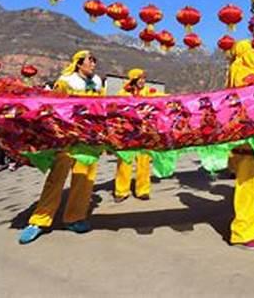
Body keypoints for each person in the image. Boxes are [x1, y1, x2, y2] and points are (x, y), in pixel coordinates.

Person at [18, 50, 103, 244]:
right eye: (90, 61)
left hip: (88, 139)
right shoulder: (66, 81)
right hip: (66, 137)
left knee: (85, 178)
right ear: (79, 63)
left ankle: (74, 218)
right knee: (56, 177)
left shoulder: (98, 82)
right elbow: (54, 107)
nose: (93, 65)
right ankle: (39, 220)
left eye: (94, 61)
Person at [224, 40, 254, 251]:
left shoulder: (250, 71)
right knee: (246, 184)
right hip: (246, 136)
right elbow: (250, 99)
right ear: (244, 53)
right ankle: (241, 232)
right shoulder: (241, 70)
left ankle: (253, 222)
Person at [113, 69, 155, 203]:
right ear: (133, 80)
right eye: (140, 78)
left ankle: (143, 190)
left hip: (143, 131)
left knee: (144, 161)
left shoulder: (149, 92)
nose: (143, 81)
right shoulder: (123, 93)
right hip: (127, 131)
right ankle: (121, 191)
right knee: (125, 160)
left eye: (144, 78)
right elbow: (118, 110)